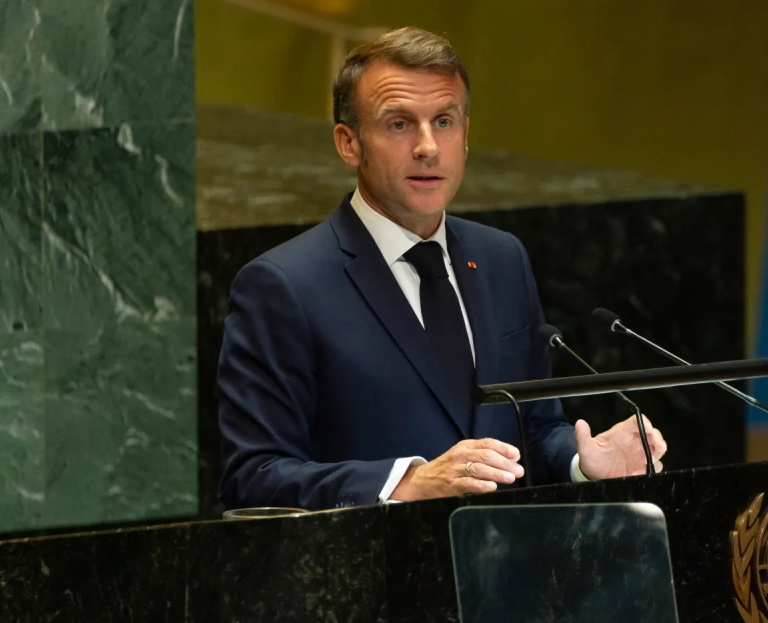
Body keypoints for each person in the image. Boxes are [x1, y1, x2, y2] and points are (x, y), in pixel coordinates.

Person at [218, 27, 667, 511]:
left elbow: (533, 429)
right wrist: (405, 482)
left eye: (445, 121)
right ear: (349, 144)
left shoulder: (502, 259)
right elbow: (254, 476)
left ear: (466, 137)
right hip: (375, 573)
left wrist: (583, 465)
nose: (428, 146)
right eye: (399, 124)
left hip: (501, 569)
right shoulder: (284, 285)